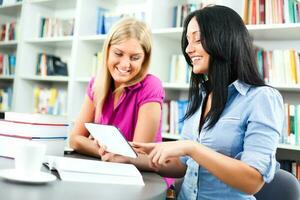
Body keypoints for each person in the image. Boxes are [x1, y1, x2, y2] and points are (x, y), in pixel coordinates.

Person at [100, 5, 284, 200]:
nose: (188, 49)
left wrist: (192, 148)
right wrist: (128, 158)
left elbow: (252, 182)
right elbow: (182, 166)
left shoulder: (261, 98)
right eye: (188, 41)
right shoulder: (201, 95)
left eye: (197, 39)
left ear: (224, 39)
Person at [69, 17, 164, 158]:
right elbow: (75, 139)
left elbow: (138, 154)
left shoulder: (151, 86)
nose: (125, 64)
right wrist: (105, 152)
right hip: (109, 167)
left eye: (135, 58)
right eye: (118, 54)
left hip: (146, 177)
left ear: (144, 59)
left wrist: (100, 148)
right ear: (107, 51)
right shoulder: (96, 83)